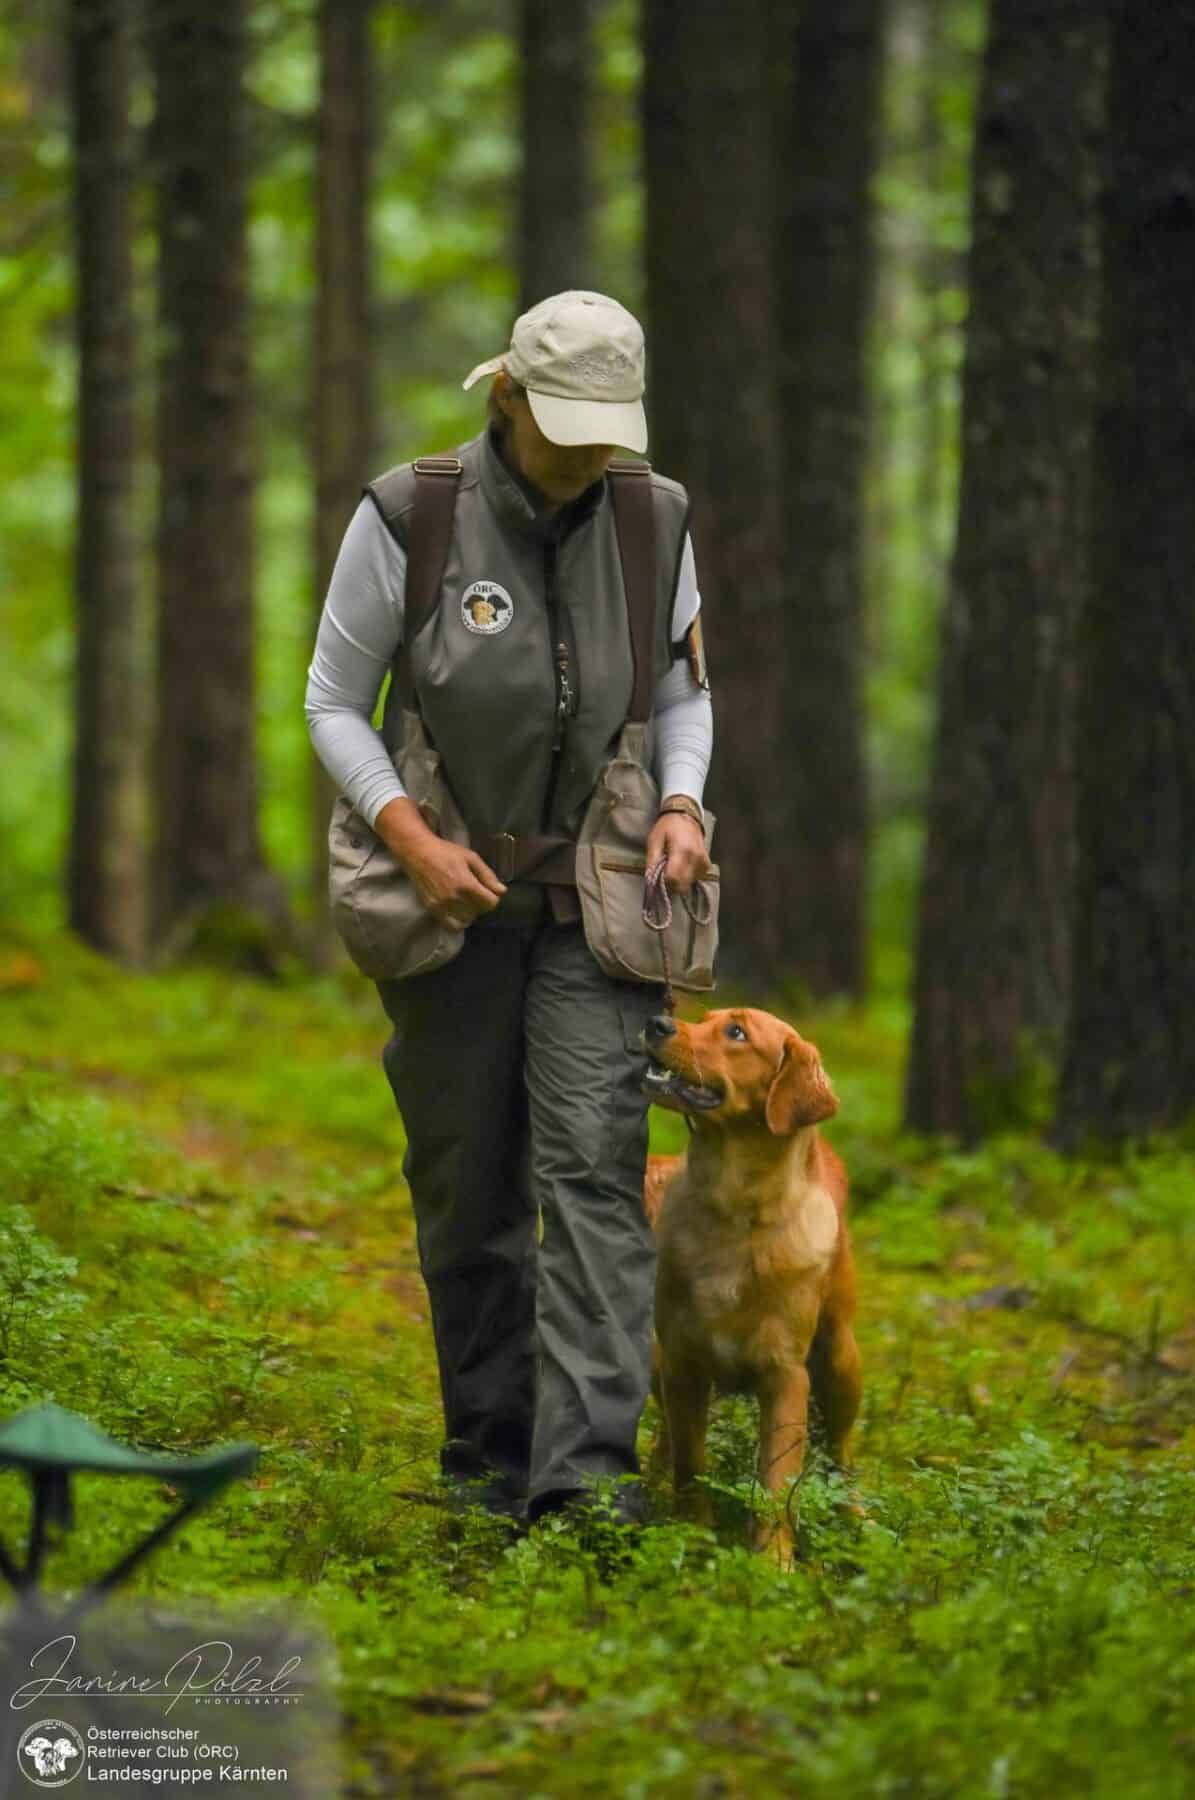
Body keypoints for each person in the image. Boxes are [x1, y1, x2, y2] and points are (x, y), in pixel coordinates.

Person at [305, 290, 714, 1535]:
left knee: (593, 1174)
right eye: (567, 425)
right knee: (469, 1184)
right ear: (509, 399)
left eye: (610, 427)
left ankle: (584, 1483)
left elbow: (686, 695)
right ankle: (488, 1460)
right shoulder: (410, 514)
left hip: (600, 908)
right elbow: (332, 701)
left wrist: (685, 807)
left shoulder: (654, 519)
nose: (591, 452)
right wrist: (410, 838)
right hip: (446, 904)